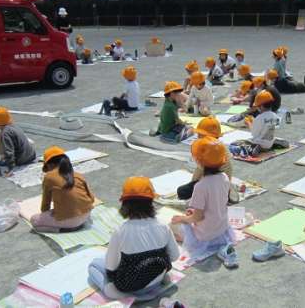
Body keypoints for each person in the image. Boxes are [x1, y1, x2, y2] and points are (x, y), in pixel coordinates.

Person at [88, 177, 179, 300]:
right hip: (156, 279)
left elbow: (110, 266)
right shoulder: (163, 226)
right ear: (151, 202)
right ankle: (160, 281)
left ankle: (127, 297)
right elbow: (175, 256)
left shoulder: (120, 231)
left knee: (94, 265)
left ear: (125, 204)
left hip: (130, 286)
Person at [171, 138, 238, 268]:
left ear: (199, 162)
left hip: (204, 235)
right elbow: (216, 204)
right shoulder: (224, 177)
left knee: (172, 225)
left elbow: (197, 217)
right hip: (222, 230)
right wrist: (194, 212)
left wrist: (183, 218)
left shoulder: (200, 186)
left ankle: (190, 239)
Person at [30, 146, 94, 232]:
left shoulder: (49, 176)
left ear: (50, 164)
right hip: (86, 214)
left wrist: (45, 215)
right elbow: (91, 198)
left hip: (70, 220)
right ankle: (78, 223)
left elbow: (46, 203)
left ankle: (62, 229)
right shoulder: (78, 175)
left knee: (34, 220)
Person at [177, 116, 238, 204]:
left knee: (182, 192)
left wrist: (194, 184)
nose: (198, 136)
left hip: (212, 182)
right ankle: (226, 193)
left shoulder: (209, 151)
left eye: (200, 134)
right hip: (222, 182)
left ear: (208, 136)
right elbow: (201, 169)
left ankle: (221, 194)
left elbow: (201, 171)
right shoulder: (219, 147)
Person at [0, 106, 36, 176]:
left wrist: (10, 167)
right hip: (31, 155)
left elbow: (9, 151)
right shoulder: (13, 126)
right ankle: (4, 163)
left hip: (21, 160)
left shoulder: (5, 134)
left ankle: (4, 164)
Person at [242, 90, 289, 157]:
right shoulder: (275, 116)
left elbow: (254, 133)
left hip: (260, 142)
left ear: (261, 106)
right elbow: (276, 127)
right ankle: (274, 143)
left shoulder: (259, 117)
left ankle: (256, 148)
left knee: (243, 142)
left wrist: (249, 123)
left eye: (258, 106)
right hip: (270, 141)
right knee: (268, 137)